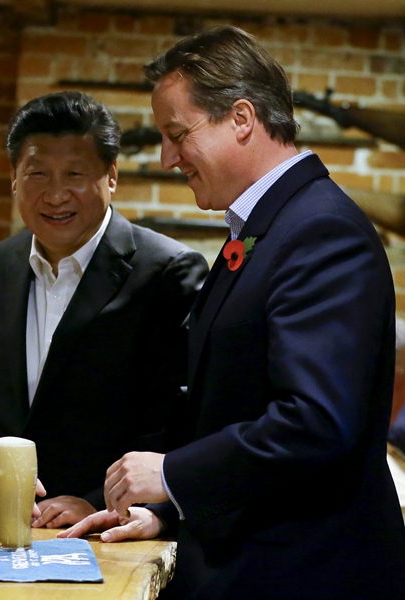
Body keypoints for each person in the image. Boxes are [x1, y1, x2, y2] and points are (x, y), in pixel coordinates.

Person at [59, 25, 405, 599]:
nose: (169, 157)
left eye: (177, 134)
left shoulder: (318, 230)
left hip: (306, 576)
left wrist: (170, 475)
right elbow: (231, 404)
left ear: (241, 118)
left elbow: (315, 423)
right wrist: (168, 509)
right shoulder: (270, 226)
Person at [0, 91, 208, 528]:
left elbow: (181, 421)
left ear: (111, 175)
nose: (55, 195)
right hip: (3, 528)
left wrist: (101, 503)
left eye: (74, 174)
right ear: (13, 178)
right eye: (36, 174)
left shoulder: (166, 271)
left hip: (109, 531)